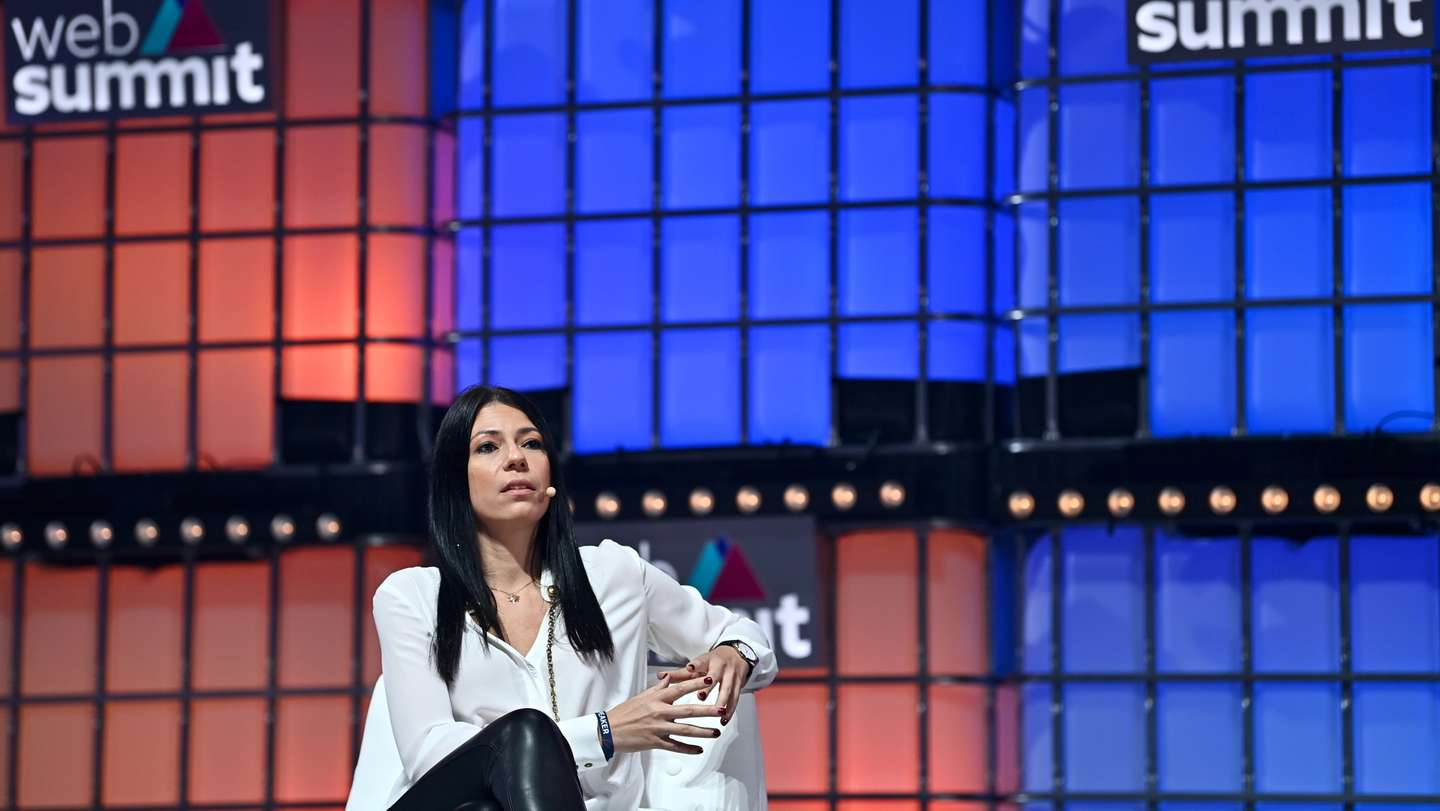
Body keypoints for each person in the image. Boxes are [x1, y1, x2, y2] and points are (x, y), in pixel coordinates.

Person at [373, 384, 778, 810]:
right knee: (520, 741)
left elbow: (743, 634)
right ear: (457, 480)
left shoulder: (614, 575)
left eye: (532, 443)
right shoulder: (412, 596)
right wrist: (603, 733)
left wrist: (735, 654)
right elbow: (428, 754)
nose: (517, 458)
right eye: (488, 448)